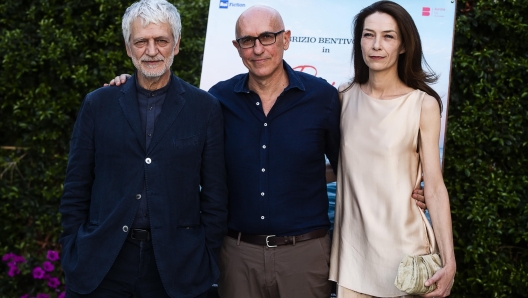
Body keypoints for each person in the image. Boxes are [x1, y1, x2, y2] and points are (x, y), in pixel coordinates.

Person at [108, 5, 426, 298]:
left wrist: (403, 189)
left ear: (285, 39)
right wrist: (131, 85)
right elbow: (175, 135)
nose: (258, 49)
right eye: (247, 40)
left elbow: (353, 165)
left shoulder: (323, 98)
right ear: (236, 47)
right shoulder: (217, 100)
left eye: (267, 37)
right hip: (237, 254)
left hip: (305, 256)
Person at [59, 0, 228, 297]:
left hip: (178, 266)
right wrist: (73, 245)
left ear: (176, 45)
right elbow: (76, 186)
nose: (151, 51)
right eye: (141, 42)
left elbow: (215, 195)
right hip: (102, 263)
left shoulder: (205, 108)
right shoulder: (98, 104)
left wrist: (206, 253)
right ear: (128, 48)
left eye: (161, 40)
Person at [328, 1, 456, 298]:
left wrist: (449, 262)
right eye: (368, 35)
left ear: (403, 45)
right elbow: (342, 167)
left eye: (388, 36)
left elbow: (434, 186)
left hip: (406, 259)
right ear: (359, 41)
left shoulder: (422, 104)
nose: (376, 45)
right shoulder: (343, 97)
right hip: (353, 257)